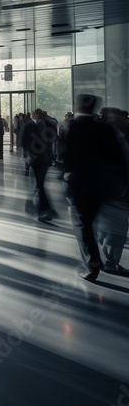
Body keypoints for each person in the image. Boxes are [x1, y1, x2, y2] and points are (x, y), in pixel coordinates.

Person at [62, 94, 128, 282]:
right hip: (103, 188)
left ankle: (93, 266)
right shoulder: (106, 128)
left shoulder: (72, 126)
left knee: (83, 225)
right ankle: (108, 260)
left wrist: (66, 179)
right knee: (98, 224)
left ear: (79, 107)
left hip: (79, 186)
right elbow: (118, 158)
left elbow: (67, 157)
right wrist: (121, 185)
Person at [100, 108, 129, 275]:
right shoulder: (108, 136)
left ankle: (111, 260)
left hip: (118, 192)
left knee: (115, 229)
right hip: (111, 191)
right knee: (110, 229)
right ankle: (109, 258)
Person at [20, 109, 57, 223]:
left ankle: (44, 209)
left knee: (40, 184)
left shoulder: (44, 124)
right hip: (37, 159)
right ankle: (45, 209)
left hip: (42, 159)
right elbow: (23, 141)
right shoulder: (30, 125)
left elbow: (53, 137)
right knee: (40, 184)